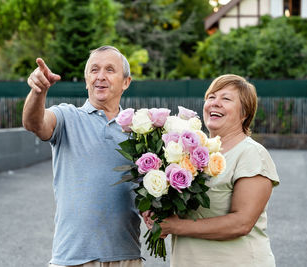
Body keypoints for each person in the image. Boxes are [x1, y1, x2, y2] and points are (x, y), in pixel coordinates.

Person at [23, 46, 142, 267]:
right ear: (86, 80)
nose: (100, 77)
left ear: (126, 82)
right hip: (72, 258)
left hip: (125, 257)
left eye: (109, 70)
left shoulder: (140, 131)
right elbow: (34, 123)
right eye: (94, 70)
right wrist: (38, 92)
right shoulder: (67, 117)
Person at [144, 74, 280, 267]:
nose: (215, 103)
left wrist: (176, 226)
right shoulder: (191, 154)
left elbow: (241, 223)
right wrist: (159, 211)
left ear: (244, 113)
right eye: (211, 97)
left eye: (226, 99)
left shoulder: (251, 154)